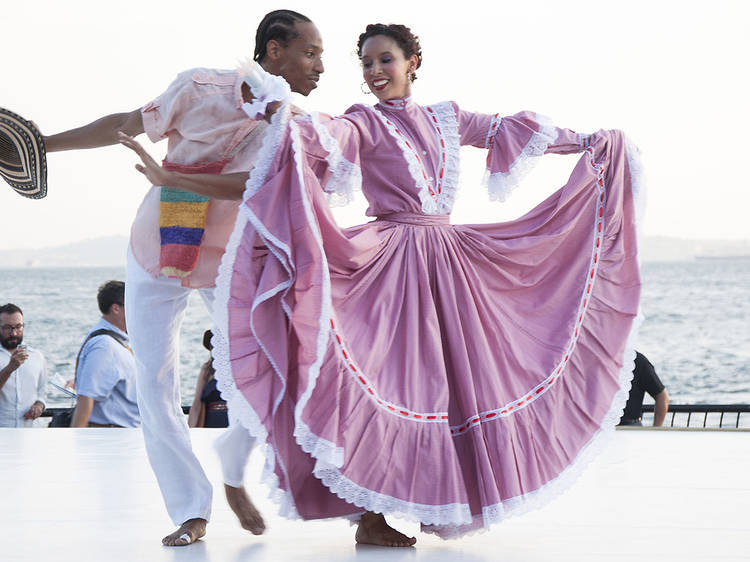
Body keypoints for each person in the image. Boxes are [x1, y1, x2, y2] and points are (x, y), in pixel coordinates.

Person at [122, 23, 643, 546]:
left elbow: (510, 131)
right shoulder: (361, 123)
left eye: (385, 60)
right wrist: (275, 110)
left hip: (448, 265)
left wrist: (590, 143)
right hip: (386, 267)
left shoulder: (447, 117)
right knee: (383, 387)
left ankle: (419, 501)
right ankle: (369, 517)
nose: (374, 73)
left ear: (412, 61)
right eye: (367, 64)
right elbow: (311, 138)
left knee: (451, 388)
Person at [41, 9, 324, 546]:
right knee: (153, 380)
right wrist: (40, 144)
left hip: (232, 255)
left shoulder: (296, 124)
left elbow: (254, 186)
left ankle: (234, 468)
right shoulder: (199, 87)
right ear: (273, 52)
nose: (320, 66)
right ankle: (191, 509)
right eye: (310, 52)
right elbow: (124, 124)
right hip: (158, 244)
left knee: (260, 368)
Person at [70, 281, 140, 428]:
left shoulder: (116, 342)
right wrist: (77, 440)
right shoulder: (105, 345)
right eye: (131, 304)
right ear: (115, 308)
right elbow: (86, 399)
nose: (137, 310)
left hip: (121, 435)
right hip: (112, 437)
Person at [0, 304, 48, 427]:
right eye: (7, 328)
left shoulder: (37, 357)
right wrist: (9, 369)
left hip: (31, 433)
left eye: (18, 327)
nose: (14, 333)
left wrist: (39, 406)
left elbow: (42, 394)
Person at [188, 330, 228, 428]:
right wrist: (191, 429)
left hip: (231, 418)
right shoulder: (207, 369)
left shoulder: (236, 368)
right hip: (210, 420)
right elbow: (197, 400)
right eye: (212, 345)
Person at [619, 351, 669, 427]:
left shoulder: (638, 360)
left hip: (630, 427)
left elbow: (662, 397)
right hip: (602, 427)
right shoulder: (598, 358)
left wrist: (656, 431)